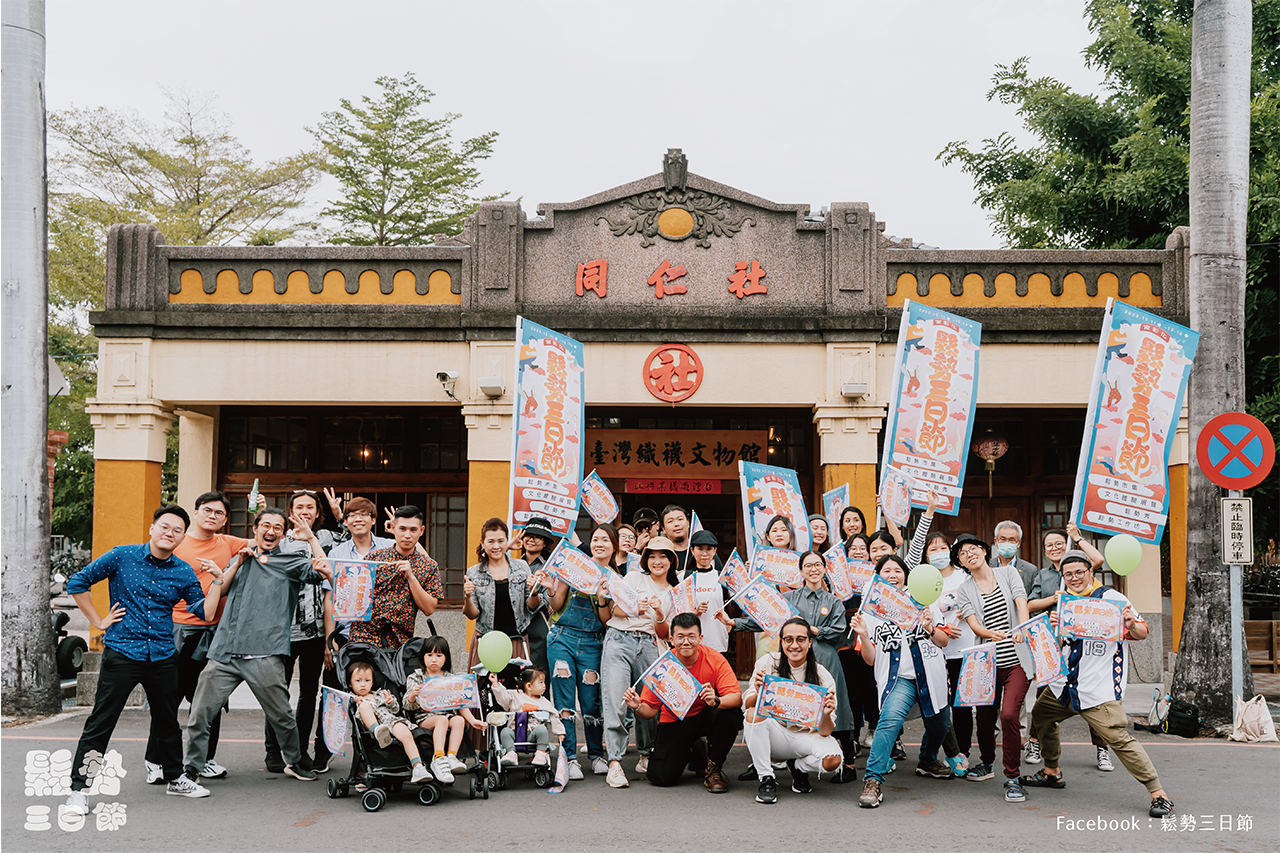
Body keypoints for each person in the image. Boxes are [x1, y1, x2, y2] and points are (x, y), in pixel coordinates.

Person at [64, 505, 228, 815]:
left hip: (163, 655)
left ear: (181, 537)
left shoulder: (183, 570)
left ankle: (176, 777)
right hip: (123, 652)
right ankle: (79, 789)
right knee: (101, 722)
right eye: (165, 526)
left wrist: (218, 582)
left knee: (167, 722)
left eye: (177, 530)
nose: (170, 533)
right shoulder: (122, 556)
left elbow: (204, 612)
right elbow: (78, 583)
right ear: (152, 528)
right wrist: (98, 620)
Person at [181, 506, 334, 792]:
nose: (271, 531)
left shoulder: (290, 561)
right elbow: (221, 588)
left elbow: (323, 569)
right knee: (200, 713)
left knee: (282, 716)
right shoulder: (240, 558)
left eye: (278, 527)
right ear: (255, 529)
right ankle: (192, 767)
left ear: (283, 533)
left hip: (264, 653)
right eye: (266, 525)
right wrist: (237, 562)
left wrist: (311, 538)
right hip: (225, 651)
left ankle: (294, 760)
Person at [1022, 551, 1175, 819]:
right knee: (1041, 715)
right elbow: (1062, 644)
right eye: (1068, 574)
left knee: (1117, 737)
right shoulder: (1065, 602)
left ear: (1090, 572)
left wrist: (1130, 624)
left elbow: (1142, 632)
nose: (1074, 578)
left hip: (1098, 687)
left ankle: (1158, 793)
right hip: (1064, 685)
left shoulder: (1112, 599)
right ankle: (1051, 771)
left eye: (1079, 572)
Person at [722, 550, 854, 778]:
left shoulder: (833, 602)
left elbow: (840, 632)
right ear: (801, 571)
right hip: (792, 657)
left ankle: (847, 762)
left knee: (833, 707)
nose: (813, 569)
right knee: (782, 703)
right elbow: (767, 619)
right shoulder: (790, 598)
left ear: (824, 569)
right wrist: (735, 622)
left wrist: (816, 631)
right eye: (808, 565)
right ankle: (766, 762)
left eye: (818, 564)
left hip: (825, 659)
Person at [160, 491, 252, 785]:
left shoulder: (228, 543)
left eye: (219, 514)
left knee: (211, 701)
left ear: (226, 520)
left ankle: (205, 759)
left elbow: (267, 542)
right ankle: (162, 761)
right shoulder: (178, 542)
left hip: (214, 633)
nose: (213, 516)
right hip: (179, 630)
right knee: (170, 700)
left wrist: (260, 512)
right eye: (208, 510)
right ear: (196, 511)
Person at [850, 554, 952, 809]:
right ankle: (873, 780)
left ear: (906, 575)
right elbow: (871, 660)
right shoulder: (871, 610)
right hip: (901, 679)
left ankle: (927, 760)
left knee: (941, 725)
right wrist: (863, 635)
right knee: (888, 722)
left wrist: (929, 628)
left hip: (930, 675)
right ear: (878, 576)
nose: (893, 574)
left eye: (897, 570)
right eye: (886, 571)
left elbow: (943, 641)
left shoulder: (924, 600)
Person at [952, 533, 1033, 800]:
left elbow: (1022, 600)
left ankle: (1012, 777)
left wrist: (1021, 627)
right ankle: (986, 763)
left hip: (1016, 660)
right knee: (985, 721)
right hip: (986, 664)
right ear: (961, 562)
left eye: (973, 548)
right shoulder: (964, 589)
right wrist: (988, 633)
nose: (969, 554)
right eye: (962, 553)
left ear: (986, 551)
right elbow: (973, 623)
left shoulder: (1008, 573)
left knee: (1009, 714)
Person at [622, 613, 744, 791]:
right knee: (661, 776)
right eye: (680, 637)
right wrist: (637, 706)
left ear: (700, 638)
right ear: (671, 639)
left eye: (691, 637)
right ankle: (694, 749)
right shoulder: (662, 666)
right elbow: (648, 712)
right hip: (674, 720)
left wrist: (716, 700)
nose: (686, 642)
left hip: (704, 715)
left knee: (731, 714)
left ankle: (714, 767)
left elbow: (736, 698)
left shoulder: (715, 659)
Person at [1023, 523, 1110, 770]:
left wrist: (1077, 538)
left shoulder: (1079, 570)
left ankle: (1102, 749)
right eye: (1049, 545)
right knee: (1044, 694)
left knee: (1091, 694)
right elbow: (1030, 605)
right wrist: (1053, 599)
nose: (1054, 548)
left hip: (1084, 643)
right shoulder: (1044, 575)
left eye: (1059, 544)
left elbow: (1098, 558)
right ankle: (1035, 741)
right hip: (1053, 642)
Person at [263, 489, 333, 774]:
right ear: (291, 512)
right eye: (299, 507)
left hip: (315, 632)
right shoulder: (279, 540)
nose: (305, 511)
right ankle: (273, 751)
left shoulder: (327, 538)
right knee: (276, 693)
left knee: (308, 694)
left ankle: (300, 749)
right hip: (282, 632)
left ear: (317, 513)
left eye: (310, 507)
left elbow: (333, 568)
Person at [538, 524, 616, 780]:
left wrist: (602, 597)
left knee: (592, 701)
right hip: (562, 638)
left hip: (593, 642)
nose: (599, 543)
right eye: (595, 539)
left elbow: (607, 620)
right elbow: (558, 602)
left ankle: (595, 755)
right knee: (564, 701)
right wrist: (551, 589)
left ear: (614, 546)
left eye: (605, 539)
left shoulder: (615, 579)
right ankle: (569, 757)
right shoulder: (574, 566)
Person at [743, 617, 844, 804]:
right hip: (775, 733)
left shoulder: (822, 675)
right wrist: (759, 693)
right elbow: (748, 704)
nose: (794, 645)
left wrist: (827, 714)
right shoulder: (768, 663)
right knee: (753, 713)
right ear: (781, 642)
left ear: (810, 642)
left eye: (800, 639)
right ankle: (766, 778)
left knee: (834, 762)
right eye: (788, 639)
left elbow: (826, 731)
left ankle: (799, 767)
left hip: (805, 737)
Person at [601, 536, 673, 787]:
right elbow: (615, 611)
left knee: (648, 703)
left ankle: (645, 755)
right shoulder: (632, 578)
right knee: (618, 700)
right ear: (645, 559)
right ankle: (615, 762)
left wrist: (661, 614)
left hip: (651, 644)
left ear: (671, 560)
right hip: (620, 640)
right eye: (652, 556)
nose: (657, 561)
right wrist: (636, 608)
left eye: (663, 556)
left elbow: (665, 633)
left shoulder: (673, 592)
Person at [349, 506, 442, 649]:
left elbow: (429, 608)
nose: (407, 535)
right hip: (364, 636)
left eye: (413, 530)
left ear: (421, 531)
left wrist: (411, 577)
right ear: (393, 528)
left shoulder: (429, 566)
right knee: (362, 672)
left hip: (400, 640)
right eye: (402, 529)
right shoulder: (374, 558)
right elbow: (352, 595)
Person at [926, 531, 974, 777]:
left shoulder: (964, 576)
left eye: (942, 547)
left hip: (964, 649)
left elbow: (980, 601)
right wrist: (942, 629)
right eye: (932, 549)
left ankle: (962, 752)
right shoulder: (925, 579)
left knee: (963, 705)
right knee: (940, 705)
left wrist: (969, 611)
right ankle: (939, 753)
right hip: (937, 652)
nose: (938, 553)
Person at [403, 635, 482, 782]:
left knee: (458, 720)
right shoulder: (416, 677)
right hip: (425, 717)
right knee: (441, 720)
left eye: (439, 655)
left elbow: (460, 703)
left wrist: (472, 720)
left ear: (445, 659)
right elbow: (407, 705)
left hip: (447, 715)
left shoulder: (450, 679)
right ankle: (438, 758)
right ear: (423, 657)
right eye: (430, 655)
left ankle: (451, 756)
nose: (434, 659)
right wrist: (413, 695)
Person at [463, 517, 535, 669]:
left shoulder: (521, 567)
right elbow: (472, 614)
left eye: (501, 541)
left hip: (516, 640)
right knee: (484, 691)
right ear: (482, 543)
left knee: (516, 691)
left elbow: (532, 606)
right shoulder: (474, 572)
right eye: (491, 541)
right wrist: (467, 597)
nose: (496, 546)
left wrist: (534, 591)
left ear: (507, 541)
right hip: (486, 642)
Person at [347, 661, 430, 782]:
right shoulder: (353, 698)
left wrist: (390, 702)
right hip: (372, 726)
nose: (363, 684)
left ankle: (418, 766)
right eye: (358, 681)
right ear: (350, 684)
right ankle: (378, 731)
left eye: (367, 680)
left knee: (405, 732)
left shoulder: (381, 694)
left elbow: (396, 710)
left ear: (372, 682)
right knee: (364, 706)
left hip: (391, 721)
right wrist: (357, 703)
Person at [490, 669, 566, 767]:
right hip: (515, 734)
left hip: (533, 735)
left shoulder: (544, 702)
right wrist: (495, 684)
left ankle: (541, 753)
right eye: (541, 682)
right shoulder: (515, 695)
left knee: (542, 729)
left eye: (544, 682)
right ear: (529, 686)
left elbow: (554, 716)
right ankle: (511, 753)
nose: (544, 685)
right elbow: (503, 696)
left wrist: (560, 732)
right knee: (505, 732)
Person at [519, 516, 561, 676]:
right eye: (529, 535)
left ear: (545, 543)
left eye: (538, 537)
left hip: (538, 628)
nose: (531, 539)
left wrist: (533, 591)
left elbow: (538, 605)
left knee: (538, 679)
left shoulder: (549, 568)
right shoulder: (512, 564)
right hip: (512, 631)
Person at [684, 529, 729, 652]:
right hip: (689, 642)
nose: (705, 553)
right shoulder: (684, 578)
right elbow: (676, 610)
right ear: (692, 550)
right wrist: (695, 612)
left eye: (709, 549)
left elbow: (738, 601)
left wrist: (731, 622)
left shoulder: (722, 577)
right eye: (700, 548)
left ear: (715, 551)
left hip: (717, 640)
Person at [992, 520, 1039, 596]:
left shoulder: (1031, 570)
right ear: (996, 541)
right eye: (1003, 539)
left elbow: (1032, 599)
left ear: (1018, 543)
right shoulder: (987, 566)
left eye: (1012, 540)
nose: (1007, 543)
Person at [660, 504, 693, 574]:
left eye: (680, 519)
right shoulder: (660, 553)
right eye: (670, 521)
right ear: (664, 529)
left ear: (688, 523)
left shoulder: (701, 551)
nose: (676, 524)